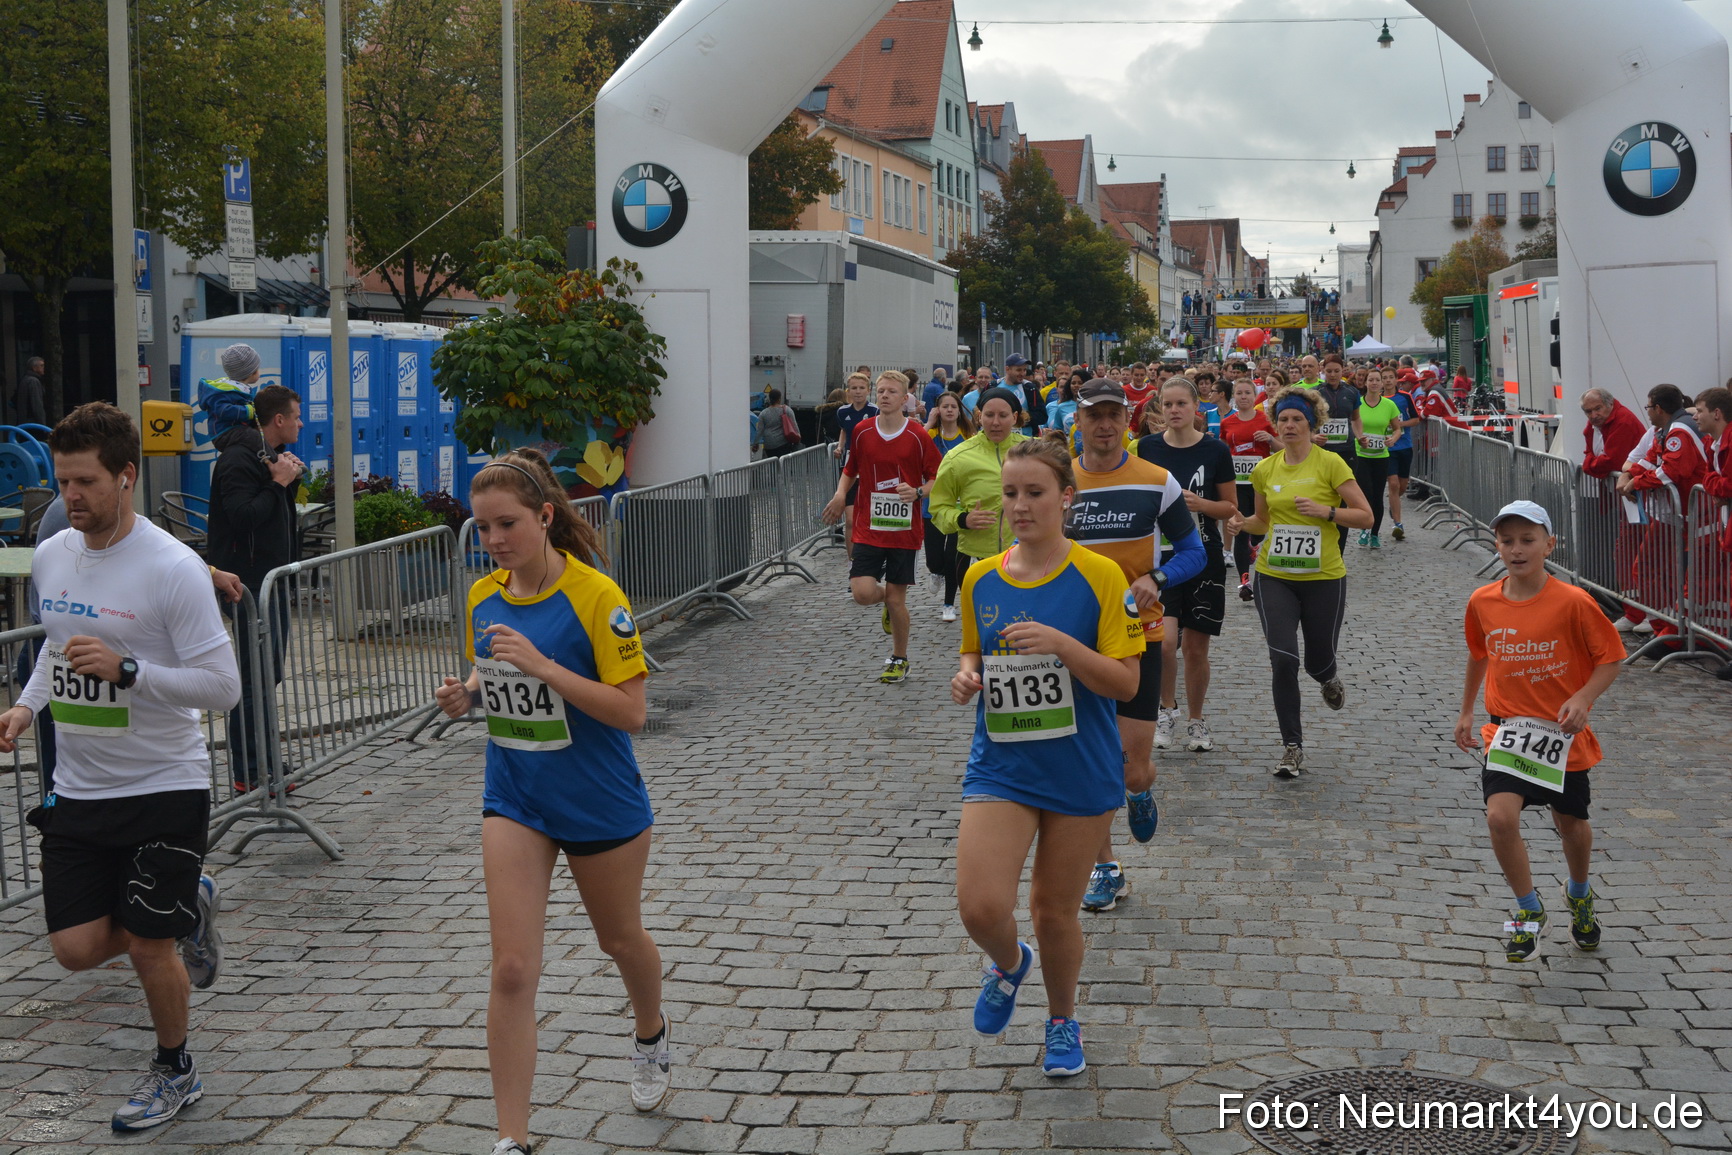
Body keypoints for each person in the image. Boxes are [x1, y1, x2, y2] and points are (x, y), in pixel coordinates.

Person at [0, 402, 240, 1130]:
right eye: (63, 481)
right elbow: (56, 643)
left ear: (126, 477)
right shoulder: (52, 554)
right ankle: (187, 902)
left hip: (165, 783)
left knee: (146, 941)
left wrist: (131, 670)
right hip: (79, 786)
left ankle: (175, 1066)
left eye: (85, 481)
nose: (70, 496)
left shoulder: (171, 569)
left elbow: (223, 686)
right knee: (73, 949)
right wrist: (25, 706)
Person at [434, 450, 669, 1154]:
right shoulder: (484, 596)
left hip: (599, 800)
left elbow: (631, 712)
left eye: (506, 523)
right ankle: (512, 1138)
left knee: (619, 939)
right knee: (511, 967)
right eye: (481, 528)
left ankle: (651, 1031)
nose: (494, 540)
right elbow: (492, 663)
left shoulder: (598, 597)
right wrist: (469, 691)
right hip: (516, 797)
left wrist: (545, 667)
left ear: (544, 516)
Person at [951, 437, 1144, 1078]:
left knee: (1053, 911)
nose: (1020, 505)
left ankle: (1062, 1020)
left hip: (1079, 766)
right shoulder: (981, 576)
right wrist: (966, 675)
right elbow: (973, 650)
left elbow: (1125, 683)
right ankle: (1010, 964)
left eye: (1034, 493)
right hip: (1002, 762)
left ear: (1066, 498)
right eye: (1010, 494)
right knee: (980, 907)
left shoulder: (1101, 575)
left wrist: (1062, 643)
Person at [1455, 501, 1623, 962]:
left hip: (1560, 735)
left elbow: (1612, 656)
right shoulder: (1482, 600)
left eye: (1528, 540)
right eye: (1507, 540)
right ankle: (1527, 912)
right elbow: (1478, 652)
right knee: (1499, 818)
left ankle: (1580, 894)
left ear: (1550, 544)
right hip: (1507, 731)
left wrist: (1584, 698)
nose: (1516, 549)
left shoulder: (1574, 601)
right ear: (1497, 546)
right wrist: (1467, 711)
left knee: (1571, 823)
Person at [1071, 379, 1206, 913]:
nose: (1104, 425)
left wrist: (1158, 577)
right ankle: (1106, 867)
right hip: (1077, 638)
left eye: (1113, 415)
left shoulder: (1157, 481)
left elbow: (1194, 552)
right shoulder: (1060, 481)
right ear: (1077, 422)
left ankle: (1140, 789)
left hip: (1140, 634)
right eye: (1094, 415)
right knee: (1090, 761)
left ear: (1129, 420)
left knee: (1131, 763)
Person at [1239, 386, 1375, 778]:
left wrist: (1326, 511)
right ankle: (1291, 747)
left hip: (1323, 578)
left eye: (1297, 418)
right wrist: (1240, 524)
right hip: (1274, 576)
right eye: (1283, 419)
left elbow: (1365, 516)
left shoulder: (1330, 464)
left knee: (1317, 662)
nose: (1289, 425)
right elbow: (1262, 522)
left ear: (1312, 422)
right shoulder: (1266, 469)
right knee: (1283, 660)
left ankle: (1328, 677)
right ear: (1275, 425)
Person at [205, 384, 306, 793]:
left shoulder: (266, 456)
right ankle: (250, 769)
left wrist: (289, 478)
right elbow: (244, 517)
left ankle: (264, 759)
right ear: (278, 420)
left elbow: (276, 516)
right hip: (245, 585)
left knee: (268, 675)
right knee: (254, 677)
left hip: (270, 579)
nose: (301, 423)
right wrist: (278, 484)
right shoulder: (238, 459)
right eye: (296, 416)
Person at [1138, 378, 1240, 754]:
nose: (1174, 410)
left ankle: (1197, 720)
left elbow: (1230, 507)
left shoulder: (1215, 450)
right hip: (1159, 557)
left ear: (1197, 408)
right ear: (1160, 409)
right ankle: (1167, 710)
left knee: (1196, 648)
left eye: (1181, 403)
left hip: (1204, 554)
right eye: (1167, 404)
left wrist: (1199, 505)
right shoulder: (1147, 448)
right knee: (1164, 644)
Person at [822, 372, 943, 684]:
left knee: (897, 599)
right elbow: (851, 470)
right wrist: (839, 494)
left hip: (904, 531)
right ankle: (885, 603)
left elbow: (934, 477)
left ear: (905, 399)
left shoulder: (917, 434)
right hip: (869, 527)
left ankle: (899, 658)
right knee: (862, 593)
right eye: (881, 391)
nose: (885, 395)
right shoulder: (862, 431)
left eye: (892, 392)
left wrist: (917, 492)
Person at [930, 389, 1027, 601]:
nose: (995, 422)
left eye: (1003, 415)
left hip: (1027, 555)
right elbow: (938, 508)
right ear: (978, 416)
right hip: (975, 557)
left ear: (1015, 417)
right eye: (989, 415)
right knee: (985, 626)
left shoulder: (1032, 451)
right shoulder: (958, 457)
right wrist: (962, 519)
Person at [1220, 376, 1276, 602]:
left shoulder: (1265, 420)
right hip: (1237, 483)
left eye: (1247, 393)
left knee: (1260, 527)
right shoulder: (1228, 422)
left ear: (1255, 396)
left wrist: (1271, 438)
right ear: (1234, 396)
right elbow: (1224, 452)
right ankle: (1245, 582)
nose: (1243, 397)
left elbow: (1283, 448)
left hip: (1260, 484)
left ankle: (1255, 545)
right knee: (1240, 530)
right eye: (1239, 393)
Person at [924, 393, 973, 622]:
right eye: (945, 406)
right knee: (934, 558)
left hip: (959, 505)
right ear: (938, 410)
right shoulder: (931, 435)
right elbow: (914, 448)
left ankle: (948, 604)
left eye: (954, 406)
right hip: (932, 503)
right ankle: (936, 571)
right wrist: (929, 423)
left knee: (953, 555)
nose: (950, 410)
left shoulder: (968, 437)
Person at [1353, 367, 1401, 549]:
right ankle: (1364, 528)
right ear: (1365, 383)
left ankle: (1374, 534)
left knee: (1378, 496)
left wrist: (1393, 439)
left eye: (1377, 380)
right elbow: (1353, 423)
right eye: (1370, 380)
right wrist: (1359, 437)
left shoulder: (1389, 405)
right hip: (1361, 455)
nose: (1374, 383)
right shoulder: (1357, 403)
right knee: (1366, 494)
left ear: (1382, 384)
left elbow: (1397, 428)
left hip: (1381, 456)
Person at [831, 373, 879, 557]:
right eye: (854, 388)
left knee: (868, 518)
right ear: (848, 391)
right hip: (849, 469)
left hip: (870, 470)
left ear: (868, 390)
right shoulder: (842, 412)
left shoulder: (875, 411)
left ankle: (872, 557)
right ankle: (853, 563)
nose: (858, 392)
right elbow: (845, 430)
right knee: (850, 520)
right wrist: (840, 447)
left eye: (861, 388)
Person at [197, 344, 264, 441]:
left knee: (255, 435)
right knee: (253, 437)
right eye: (257, 368)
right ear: (251, 372)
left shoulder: (239, 389)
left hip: (233, 430)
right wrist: (248, 411)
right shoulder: (225, 392)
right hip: (224, 433)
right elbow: (223, 410)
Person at [1384, 371, 1421, 540]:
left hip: (1405, 445)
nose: (1387, 381)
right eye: (1384, 378)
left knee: (1402, 486)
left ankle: (1394, 503)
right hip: (1387, 448)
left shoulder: (1405, 397)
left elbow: (1416, 419)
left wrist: (1399, 424)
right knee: (1392, 484)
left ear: (1396, 380)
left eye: (1390, 377)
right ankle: (1398, 524)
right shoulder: (1377, 400)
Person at [1004, 354, 1046, 437]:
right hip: (1002, 439)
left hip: (1025, 440)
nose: (1022, 373)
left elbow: (1042, 416)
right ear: (1007, 369)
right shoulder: (994, 386)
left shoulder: (1030, 388)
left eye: (1024, 370)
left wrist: (1024, 418)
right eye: (1019, 370)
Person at [752, 388, 801, 459]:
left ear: (769, 398)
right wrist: (798, 439)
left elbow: (759, 430)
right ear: (779, 399)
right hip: (782, 443)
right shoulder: (786, 410)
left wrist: (755, 443)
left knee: (773, 464)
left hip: (769, 445)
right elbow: (794, 425)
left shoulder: (763, 413)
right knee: (782, 463)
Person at [13, 355, 48, 426]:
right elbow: (37, 405)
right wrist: (42, 423)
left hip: (25, 421)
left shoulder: (25, 379)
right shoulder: (33, 381)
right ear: (34, 368)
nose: (43, 368)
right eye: (41, 366)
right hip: (33, 423)